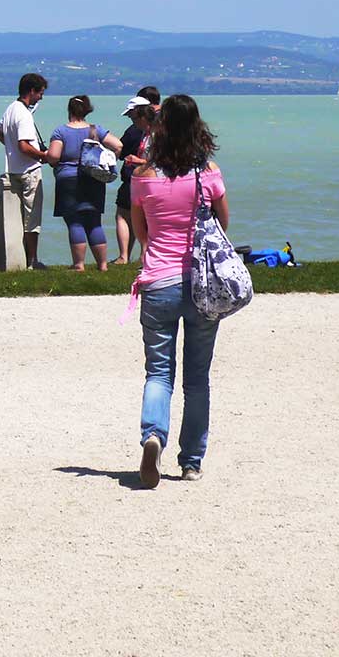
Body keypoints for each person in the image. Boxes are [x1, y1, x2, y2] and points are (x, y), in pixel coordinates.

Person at [129, 93, 227, 488]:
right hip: (202, 284)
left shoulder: (144, 176)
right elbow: (222, 224)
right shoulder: (209, 172)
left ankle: (153, 435)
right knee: (197, 378)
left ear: (160, 126)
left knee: (159, 371)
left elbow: (141, 233)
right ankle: (191, 461)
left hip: (158, 281)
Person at [46, 95, 124, 272]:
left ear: (69, 110)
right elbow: (118, 145)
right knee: (94, 221)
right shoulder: (96, 131)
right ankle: (103, 265)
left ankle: (79, 264)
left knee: (75, 222)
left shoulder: (60, 132)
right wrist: (109, 159)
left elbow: (54, 156)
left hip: (68, 179)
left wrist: (47, 157)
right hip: (93, 179)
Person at [0, 73, 52, 269]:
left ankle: (20, 257)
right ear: (32, 91)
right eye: (40, 93)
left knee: (18, 218)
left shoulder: (11, 109)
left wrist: (9, 148)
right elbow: (24, 146)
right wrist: (43, 156)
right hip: (29, 171)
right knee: (32, 218)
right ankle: (32, 260)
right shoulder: (24, 114)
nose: (41, 97)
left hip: (13, 170)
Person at [111, 88, 160, 265]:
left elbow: (158, 161)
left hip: (148, 180)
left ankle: (134, 255)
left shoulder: (153, 134)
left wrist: (137, 161)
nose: (133, 123)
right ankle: (142, 255)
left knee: (128, 216)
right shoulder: (149, 132)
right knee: (142, 219)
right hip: (144, 180)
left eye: (133, 118)